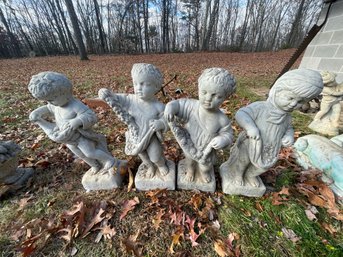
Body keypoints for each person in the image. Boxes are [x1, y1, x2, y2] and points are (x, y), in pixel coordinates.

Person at [225, 69, 323, 189]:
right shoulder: (261, 107)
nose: (293, 104)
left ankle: (250, 175)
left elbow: (288, 128)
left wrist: (289, 135)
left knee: (264, 166)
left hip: (270, 147)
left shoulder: (287, 117)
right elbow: (241, 114)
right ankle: (238, 175)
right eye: (290, 98)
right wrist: (250, 127)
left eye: (300, 101)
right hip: (251, 142)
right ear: (276, 91)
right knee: (244, 160)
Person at [28, 71, 115, 174]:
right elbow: (48, 108)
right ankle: (95, 165)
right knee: (81, 155)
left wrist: (77, 121)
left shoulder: (75, 105)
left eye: (52, 99)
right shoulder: (56, 105)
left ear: (65, 92)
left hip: (81, 137)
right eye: (47, 100)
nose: (50, 103)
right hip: (69, 140)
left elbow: (91, 116)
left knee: (90, 153)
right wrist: (36, 112)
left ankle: (109, 160)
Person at [165, 68, 235, 183]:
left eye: (215, 96)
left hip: (207, 150)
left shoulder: (222, 119)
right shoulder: (191, 106)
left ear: (225, 97)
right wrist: (170, 107)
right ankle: (191, 171)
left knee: (205, 167)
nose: (208, 98)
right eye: (204, 92)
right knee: (190, 162)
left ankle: (204, 173)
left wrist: (223, 140)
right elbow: (177, 104)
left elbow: (228, 134)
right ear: (199, 89)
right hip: (190, 144)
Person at [99, 63, 169, 178]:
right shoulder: (130, 100)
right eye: (135, 84)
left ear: (156, 87)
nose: (138, 88)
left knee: (155, 156)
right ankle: (150, 166)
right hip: (136, 136)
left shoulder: (159, 106)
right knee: (143, 156)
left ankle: (160, 165)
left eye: (144, 84)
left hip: (150, 137)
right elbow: (116, 98)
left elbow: (167, 120)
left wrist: (161, 123)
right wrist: (106, 93)